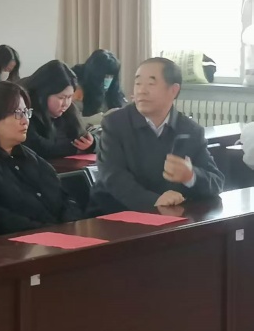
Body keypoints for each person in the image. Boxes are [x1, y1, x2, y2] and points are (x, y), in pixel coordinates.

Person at [88, 58, 225, 215]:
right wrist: (153, 201)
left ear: (173, 90)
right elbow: (113, 177)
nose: (141, 90)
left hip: (169, 215)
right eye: (138, 83)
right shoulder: (115, 123)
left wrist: (190, 176)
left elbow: (216, 182)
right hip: (114, 213)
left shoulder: (191, 130)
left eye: (151, 84)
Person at [0, 82, 82, 234]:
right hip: (22, 243)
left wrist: (70, 224)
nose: (25, 120)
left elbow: (64, 197)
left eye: (26, 112)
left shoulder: (28, 156)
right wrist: (50, 232)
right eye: (17, 113)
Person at [19, 60, 95, 159]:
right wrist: (74, 148)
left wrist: (91, 143)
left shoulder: (70, 111)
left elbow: (86, 132)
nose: (66, 104)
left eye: (69, 97)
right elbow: (38, 146)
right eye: (61, 98)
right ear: (43, 94)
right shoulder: (25, 112)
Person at [72, 49, 128, 126]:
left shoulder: (113, 88)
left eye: (111, 76)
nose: (108, 79)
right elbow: (72, 121)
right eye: (105, 76)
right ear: (95, 74)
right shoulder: (76, 86)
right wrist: (102, 118)